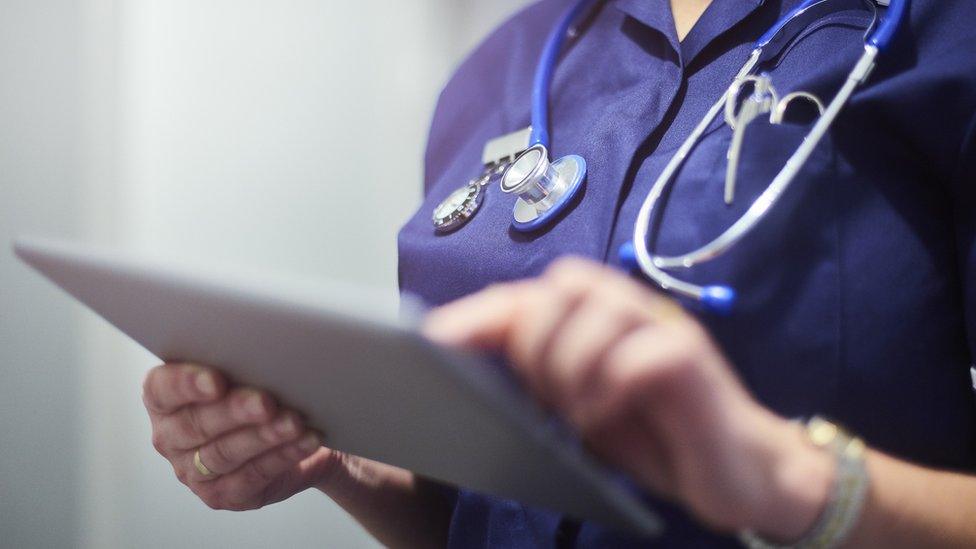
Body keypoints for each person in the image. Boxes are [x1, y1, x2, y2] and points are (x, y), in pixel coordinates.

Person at [140, 0, 976, 546]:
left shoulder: (943, 35)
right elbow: (485, 511)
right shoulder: (500, 68)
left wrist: (786, 479)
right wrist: (337, 462)